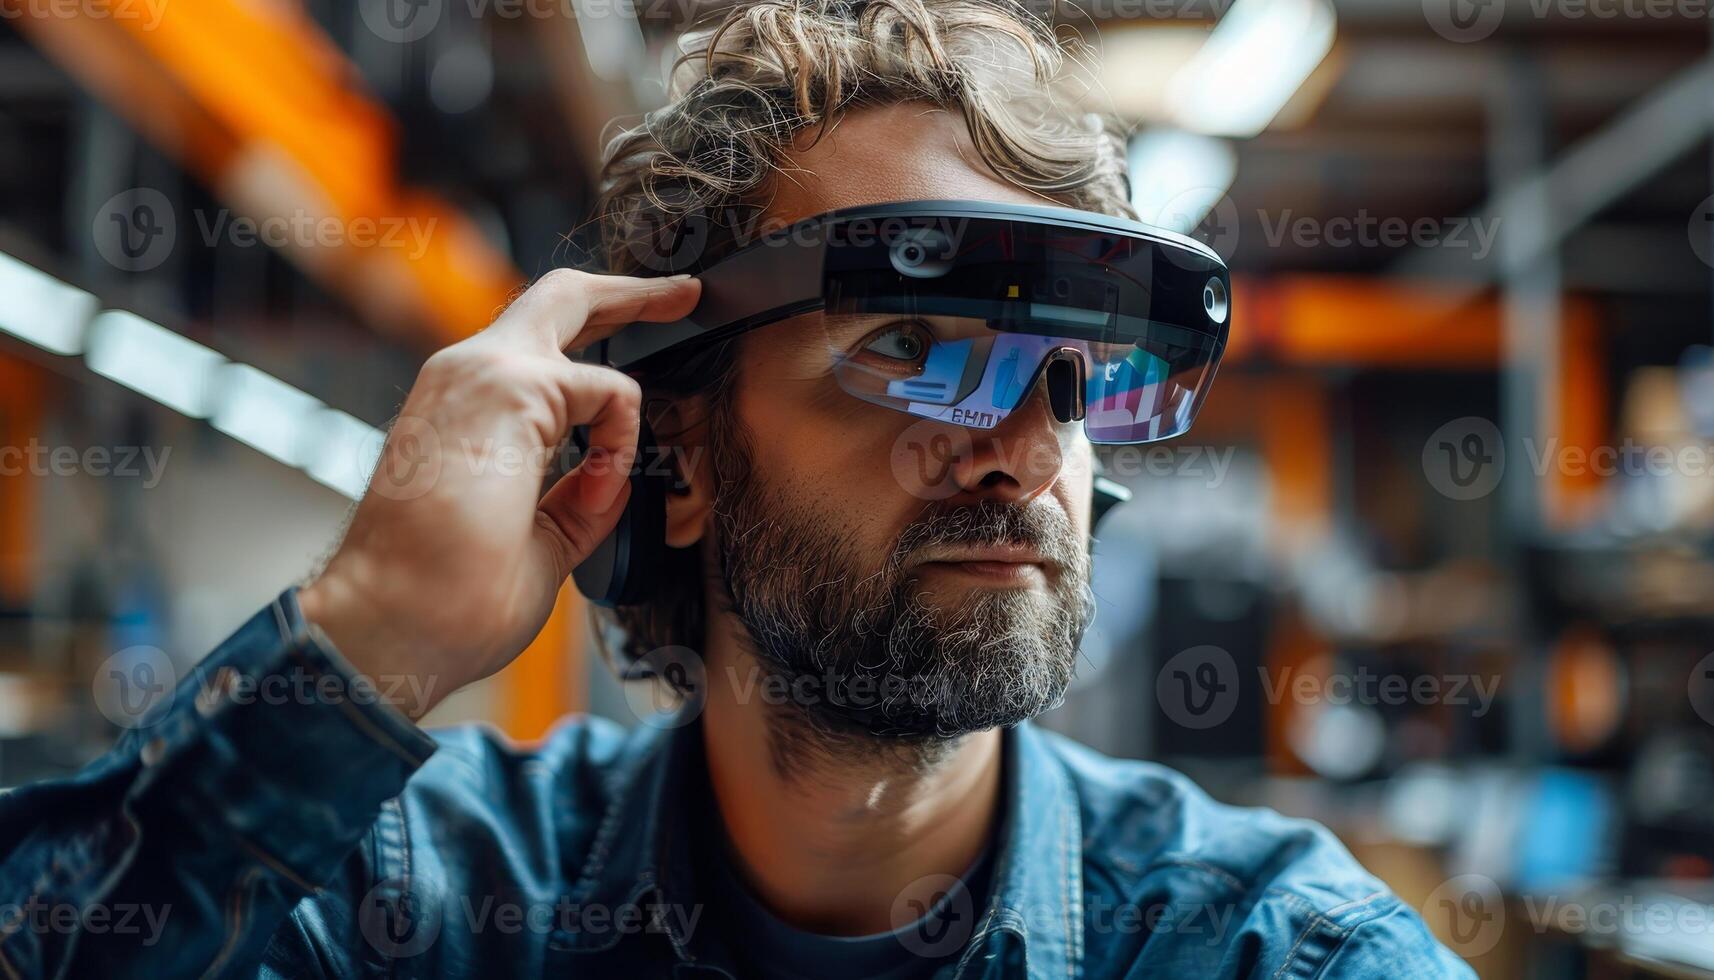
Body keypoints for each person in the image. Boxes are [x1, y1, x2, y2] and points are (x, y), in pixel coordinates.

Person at [0, 0, 1473, 976]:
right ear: (677, 450)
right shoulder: (430, 898)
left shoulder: (1266, 946)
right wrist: (365, 640)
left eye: (1071, 375)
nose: (1022, 445)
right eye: (909, 346)